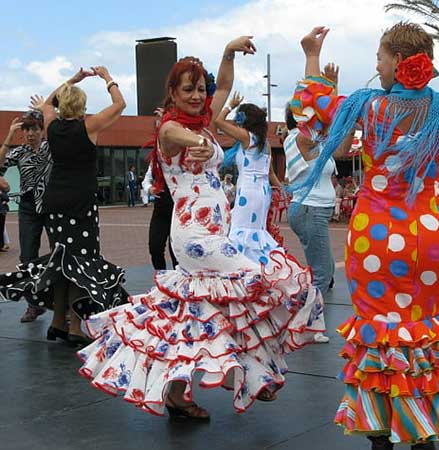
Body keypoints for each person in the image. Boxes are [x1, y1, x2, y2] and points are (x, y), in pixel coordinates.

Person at [77, 42, 325, 420]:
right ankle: (254, 374)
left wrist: (228, 54)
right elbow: (173, 134)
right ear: (173, 94)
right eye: (187, 89)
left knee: (196, 311)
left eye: (198, 89)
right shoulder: (171, 128)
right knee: (260, 279)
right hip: (196, 237)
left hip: (212, 234)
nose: (196, 96)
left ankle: (176, 391)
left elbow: (221, 89)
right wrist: (195, 142)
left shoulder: (203, 123)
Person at [289, 12, 439, 449]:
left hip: (375, 241)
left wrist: (312, 55)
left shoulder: (368, 107)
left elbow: (314, 99)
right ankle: (424, 432)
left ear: (400, 59)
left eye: (381, 58)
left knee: (378, 332)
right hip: (429, 240)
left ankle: (380, 434)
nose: (378, 66)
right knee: (423, 332)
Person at [0, 66, 129, 345]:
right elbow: (120, 104)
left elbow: (47, 104)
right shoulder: (89, 126)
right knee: (79, 265)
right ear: (81, 106)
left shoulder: (53, 125)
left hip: (54, 204)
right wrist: (108, 78)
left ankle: (58, 322)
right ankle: (74, 328)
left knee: (61, 262)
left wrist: (73, 80)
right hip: (80, 205)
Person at [216, 92, 327, 343]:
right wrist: (279, 188)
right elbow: (268, 173)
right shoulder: (263, 143)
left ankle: (249, 286)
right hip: (259, 194)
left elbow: (218, 123)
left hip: (248, 196)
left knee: (241, 238)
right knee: (256, 237)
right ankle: (267, 280)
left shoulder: (248, 138)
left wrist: (228, 107)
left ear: (245, 122)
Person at [283, 62, 340, 297]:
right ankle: (307, 323)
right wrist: (330, 87)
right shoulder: (301, 137)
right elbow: (324, 112)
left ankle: (310, 319)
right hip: (310, 209)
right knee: (322, 275)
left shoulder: (314, 137)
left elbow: (330, 118)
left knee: (326, 270)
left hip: (316, 209)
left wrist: (332, 87)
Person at [0, 110, 53, 322]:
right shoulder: (19, 151)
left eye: (34, 129)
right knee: (27, 256)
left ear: (42, 130)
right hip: (28, 208)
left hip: (51, 206)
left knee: (60, 254)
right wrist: (9, 137)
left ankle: (62, 306)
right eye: (27, 129)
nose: (30, 133)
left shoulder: (51, 148)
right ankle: (33, 304)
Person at [141, 163, 178, 270]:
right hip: (160, 209)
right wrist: (150, 189)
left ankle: (180, 279)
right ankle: (162, 276)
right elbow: (146, 181)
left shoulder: (182, 159)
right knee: (155, 247)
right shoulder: (156, 161)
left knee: (176, 250)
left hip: (178, 210)